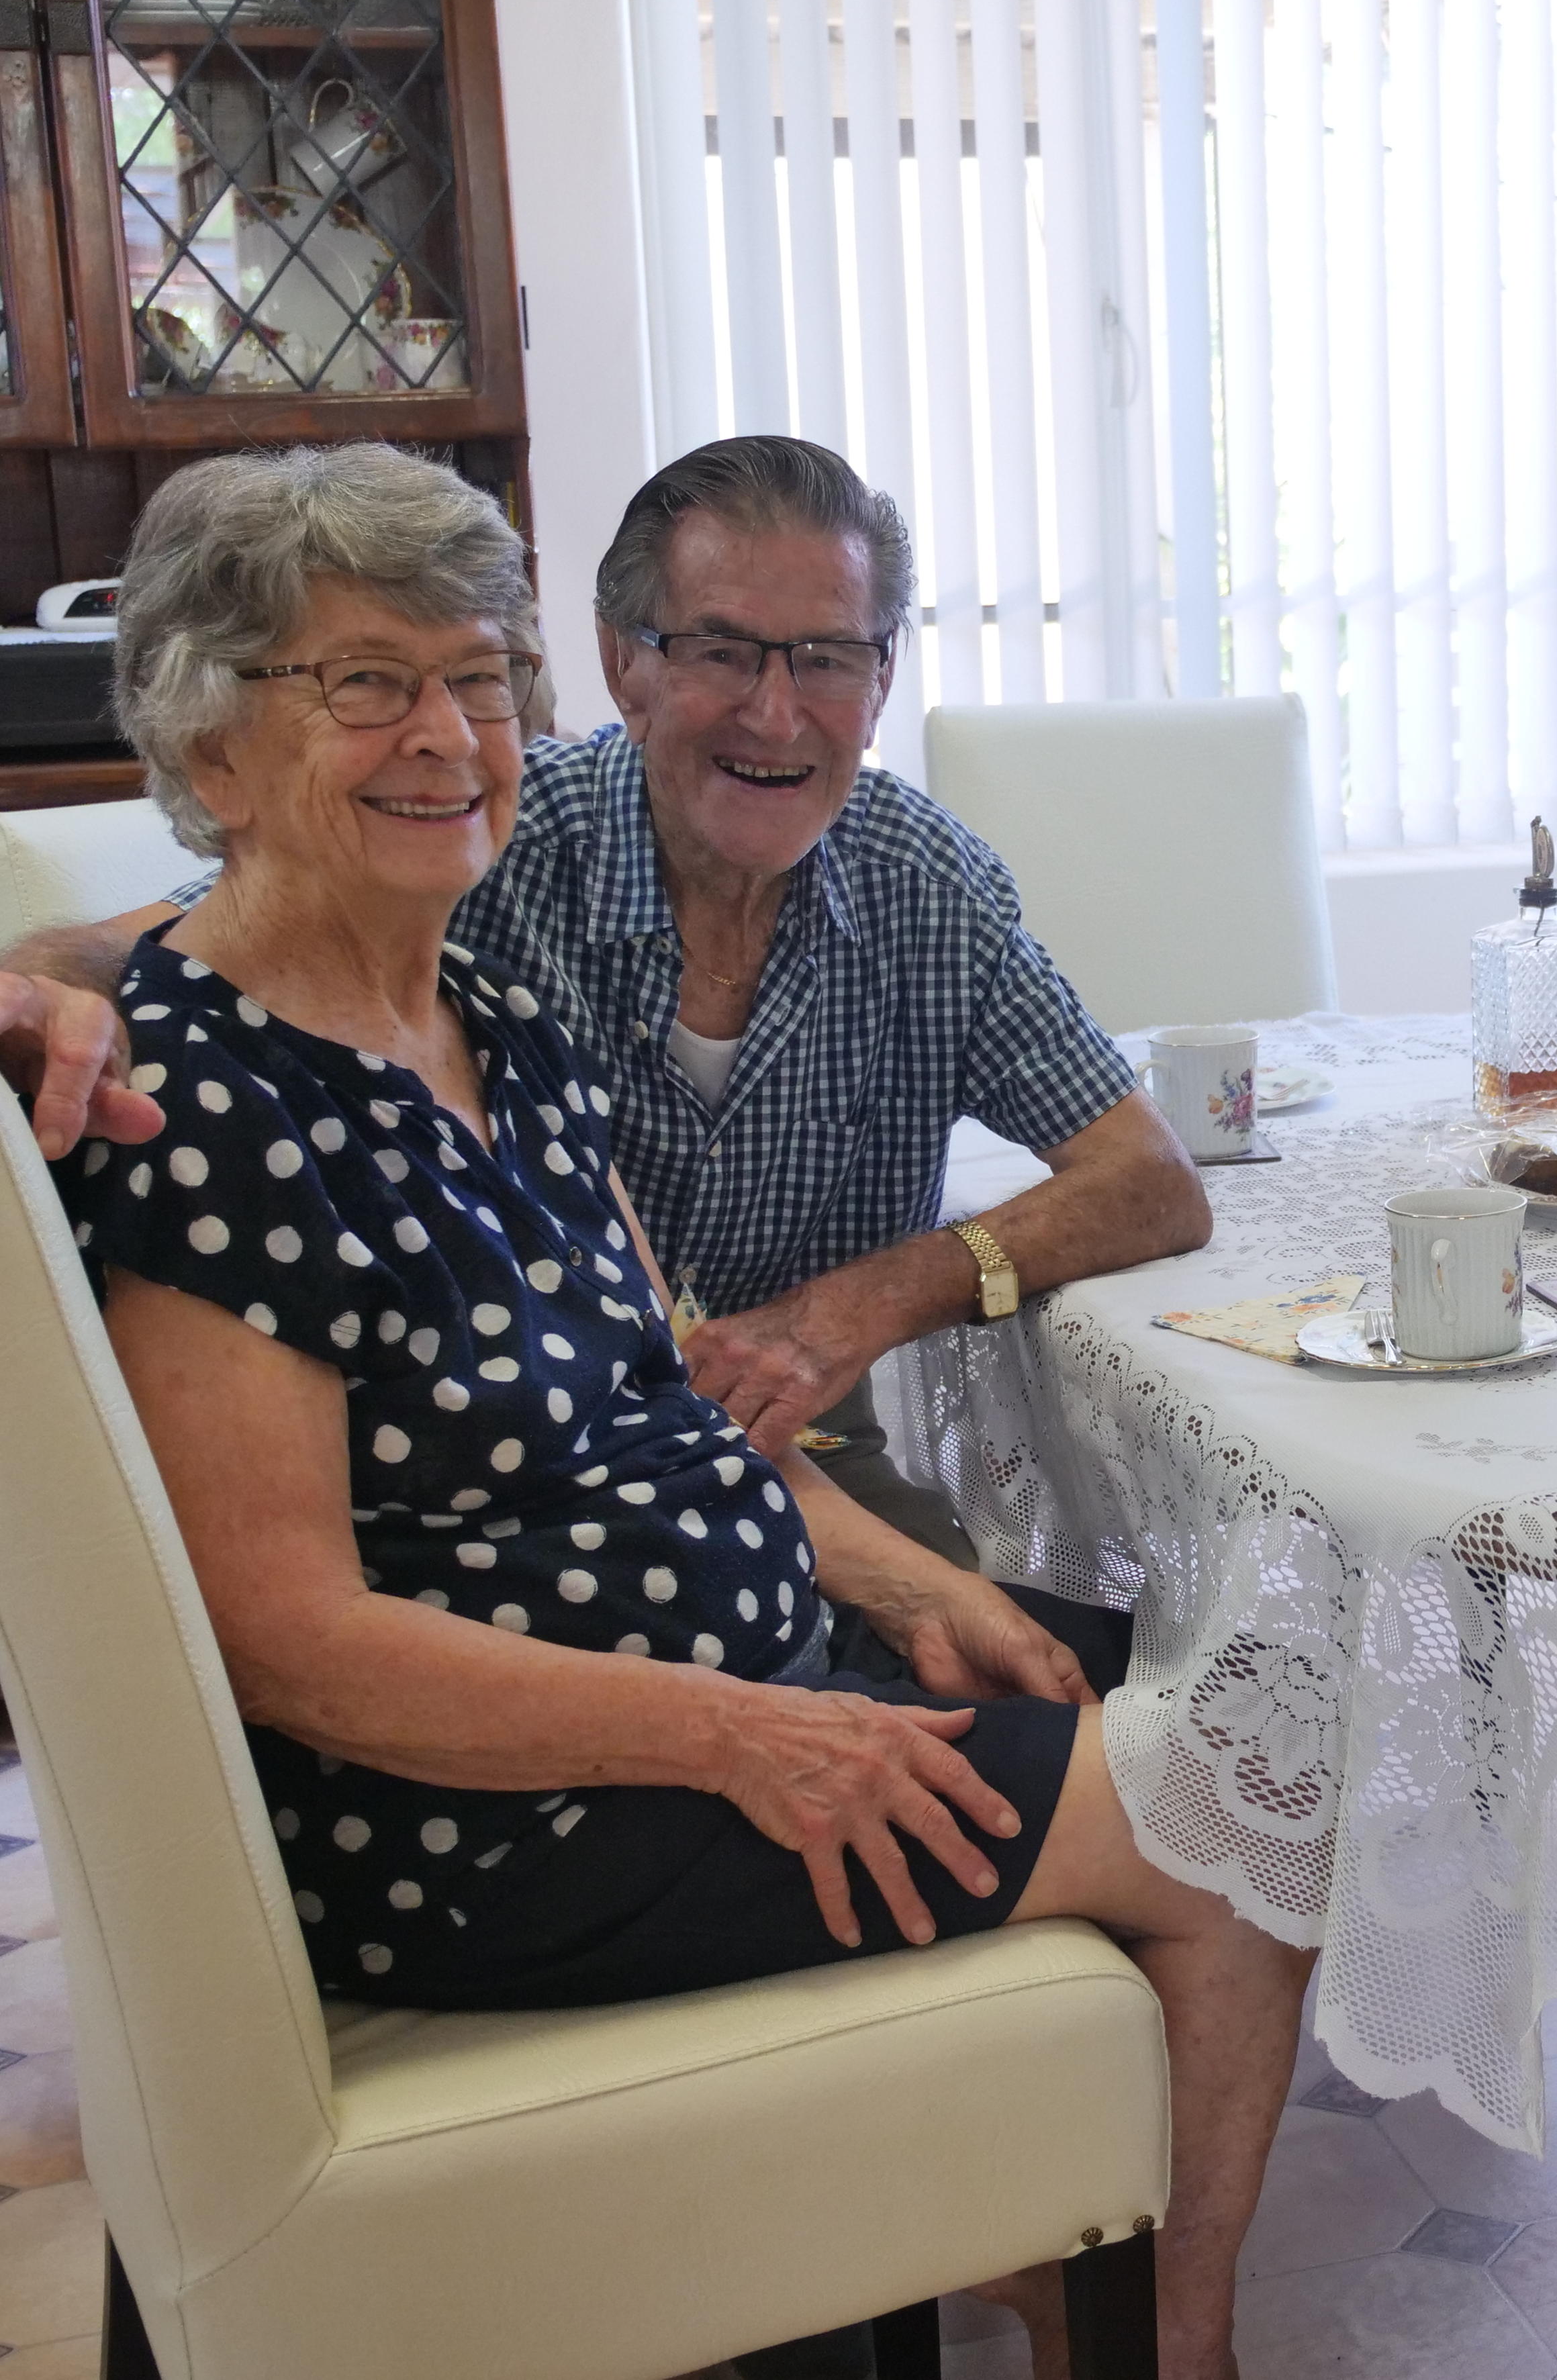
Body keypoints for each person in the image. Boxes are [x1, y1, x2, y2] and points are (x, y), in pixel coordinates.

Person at [44, 446, 1307, 2380]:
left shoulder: (488, 1021)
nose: (446, 732)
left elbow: (653, 1400)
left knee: (1167, 1705)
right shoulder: (210, 1100)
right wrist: (752, 1730)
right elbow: (284, 1633)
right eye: (362, 682)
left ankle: (981, 2231)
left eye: (476, 676)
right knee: (1241, 1812)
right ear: (213, 753)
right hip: (494, 1804)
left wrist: (896, 1590)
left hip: (688, 1693)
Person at [7, 434, 1211, 1603]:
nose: (778, 714)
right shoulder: (477, 842)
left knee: (1130, 1695)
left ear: (883, 676)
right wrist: (42, 975)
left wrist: (858, 1305)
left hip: (801, 1465)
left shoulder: (920, 882)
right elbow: (190, 935)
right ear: (621, 660)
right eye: (724, 651)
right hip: (518, 1494)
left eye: (830, 658)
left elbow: (1147, 1180)